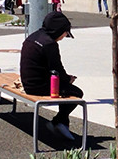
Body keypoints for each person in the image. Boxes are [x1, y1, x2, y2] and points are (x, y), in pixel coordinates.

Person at [19, 10, 81, 141]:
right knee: (76, 93)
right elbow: (57, 68)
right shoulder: (49, 44)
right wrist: (68, 79)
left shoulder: (33, 37)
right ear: (59, 30)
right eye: (65, 33)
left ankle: (61, 123)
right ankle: (58, 122)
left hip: (28, 82)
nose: (64, 36)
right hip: (39, 87)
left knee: (65, 88)